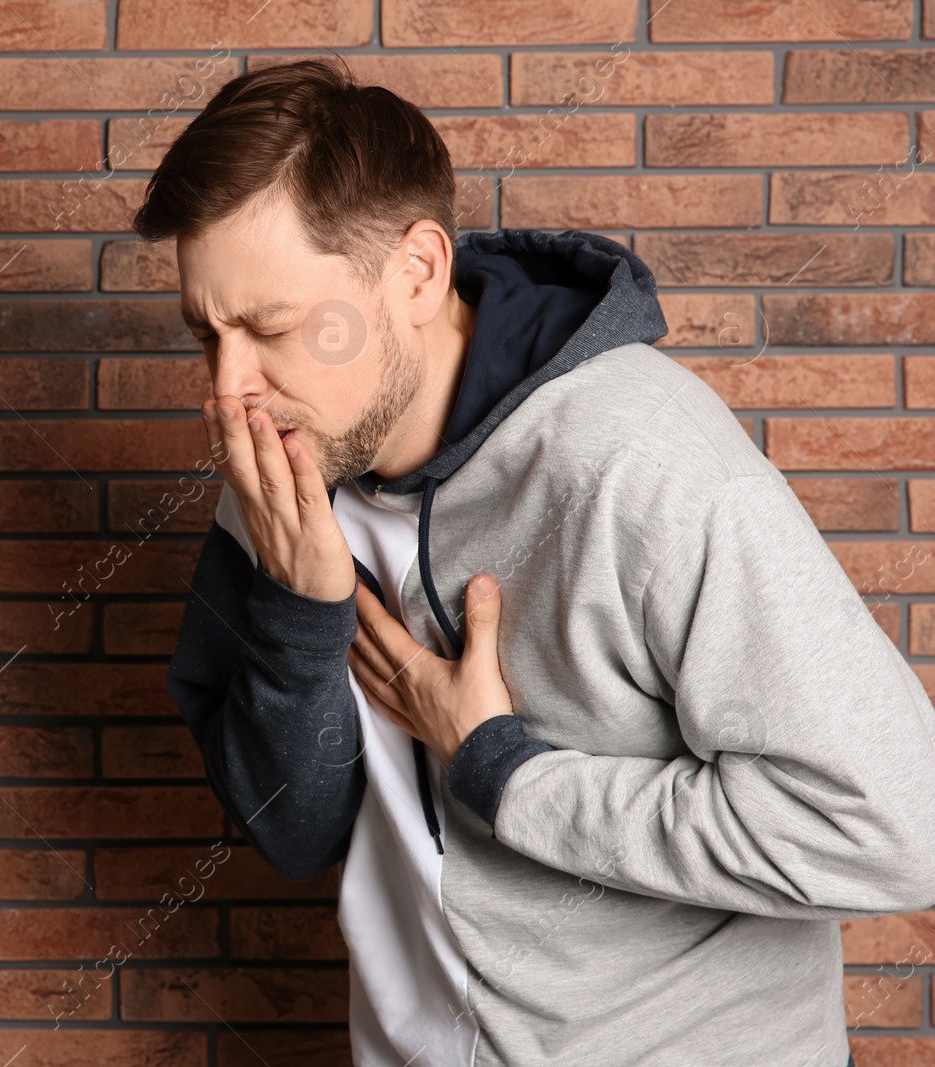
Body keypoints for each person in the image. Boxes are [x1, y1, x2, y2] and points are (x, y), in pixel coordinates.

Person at [138, 56, 935, 1067]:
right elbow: (293, 834)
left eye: (272, 328)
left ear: (416, 272)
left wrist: (505, 771)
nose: (229, 388)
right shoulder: (278, 476)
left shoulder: (637, 461)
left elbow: (896, 826)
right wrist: (299, 613)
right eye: (205, 336)